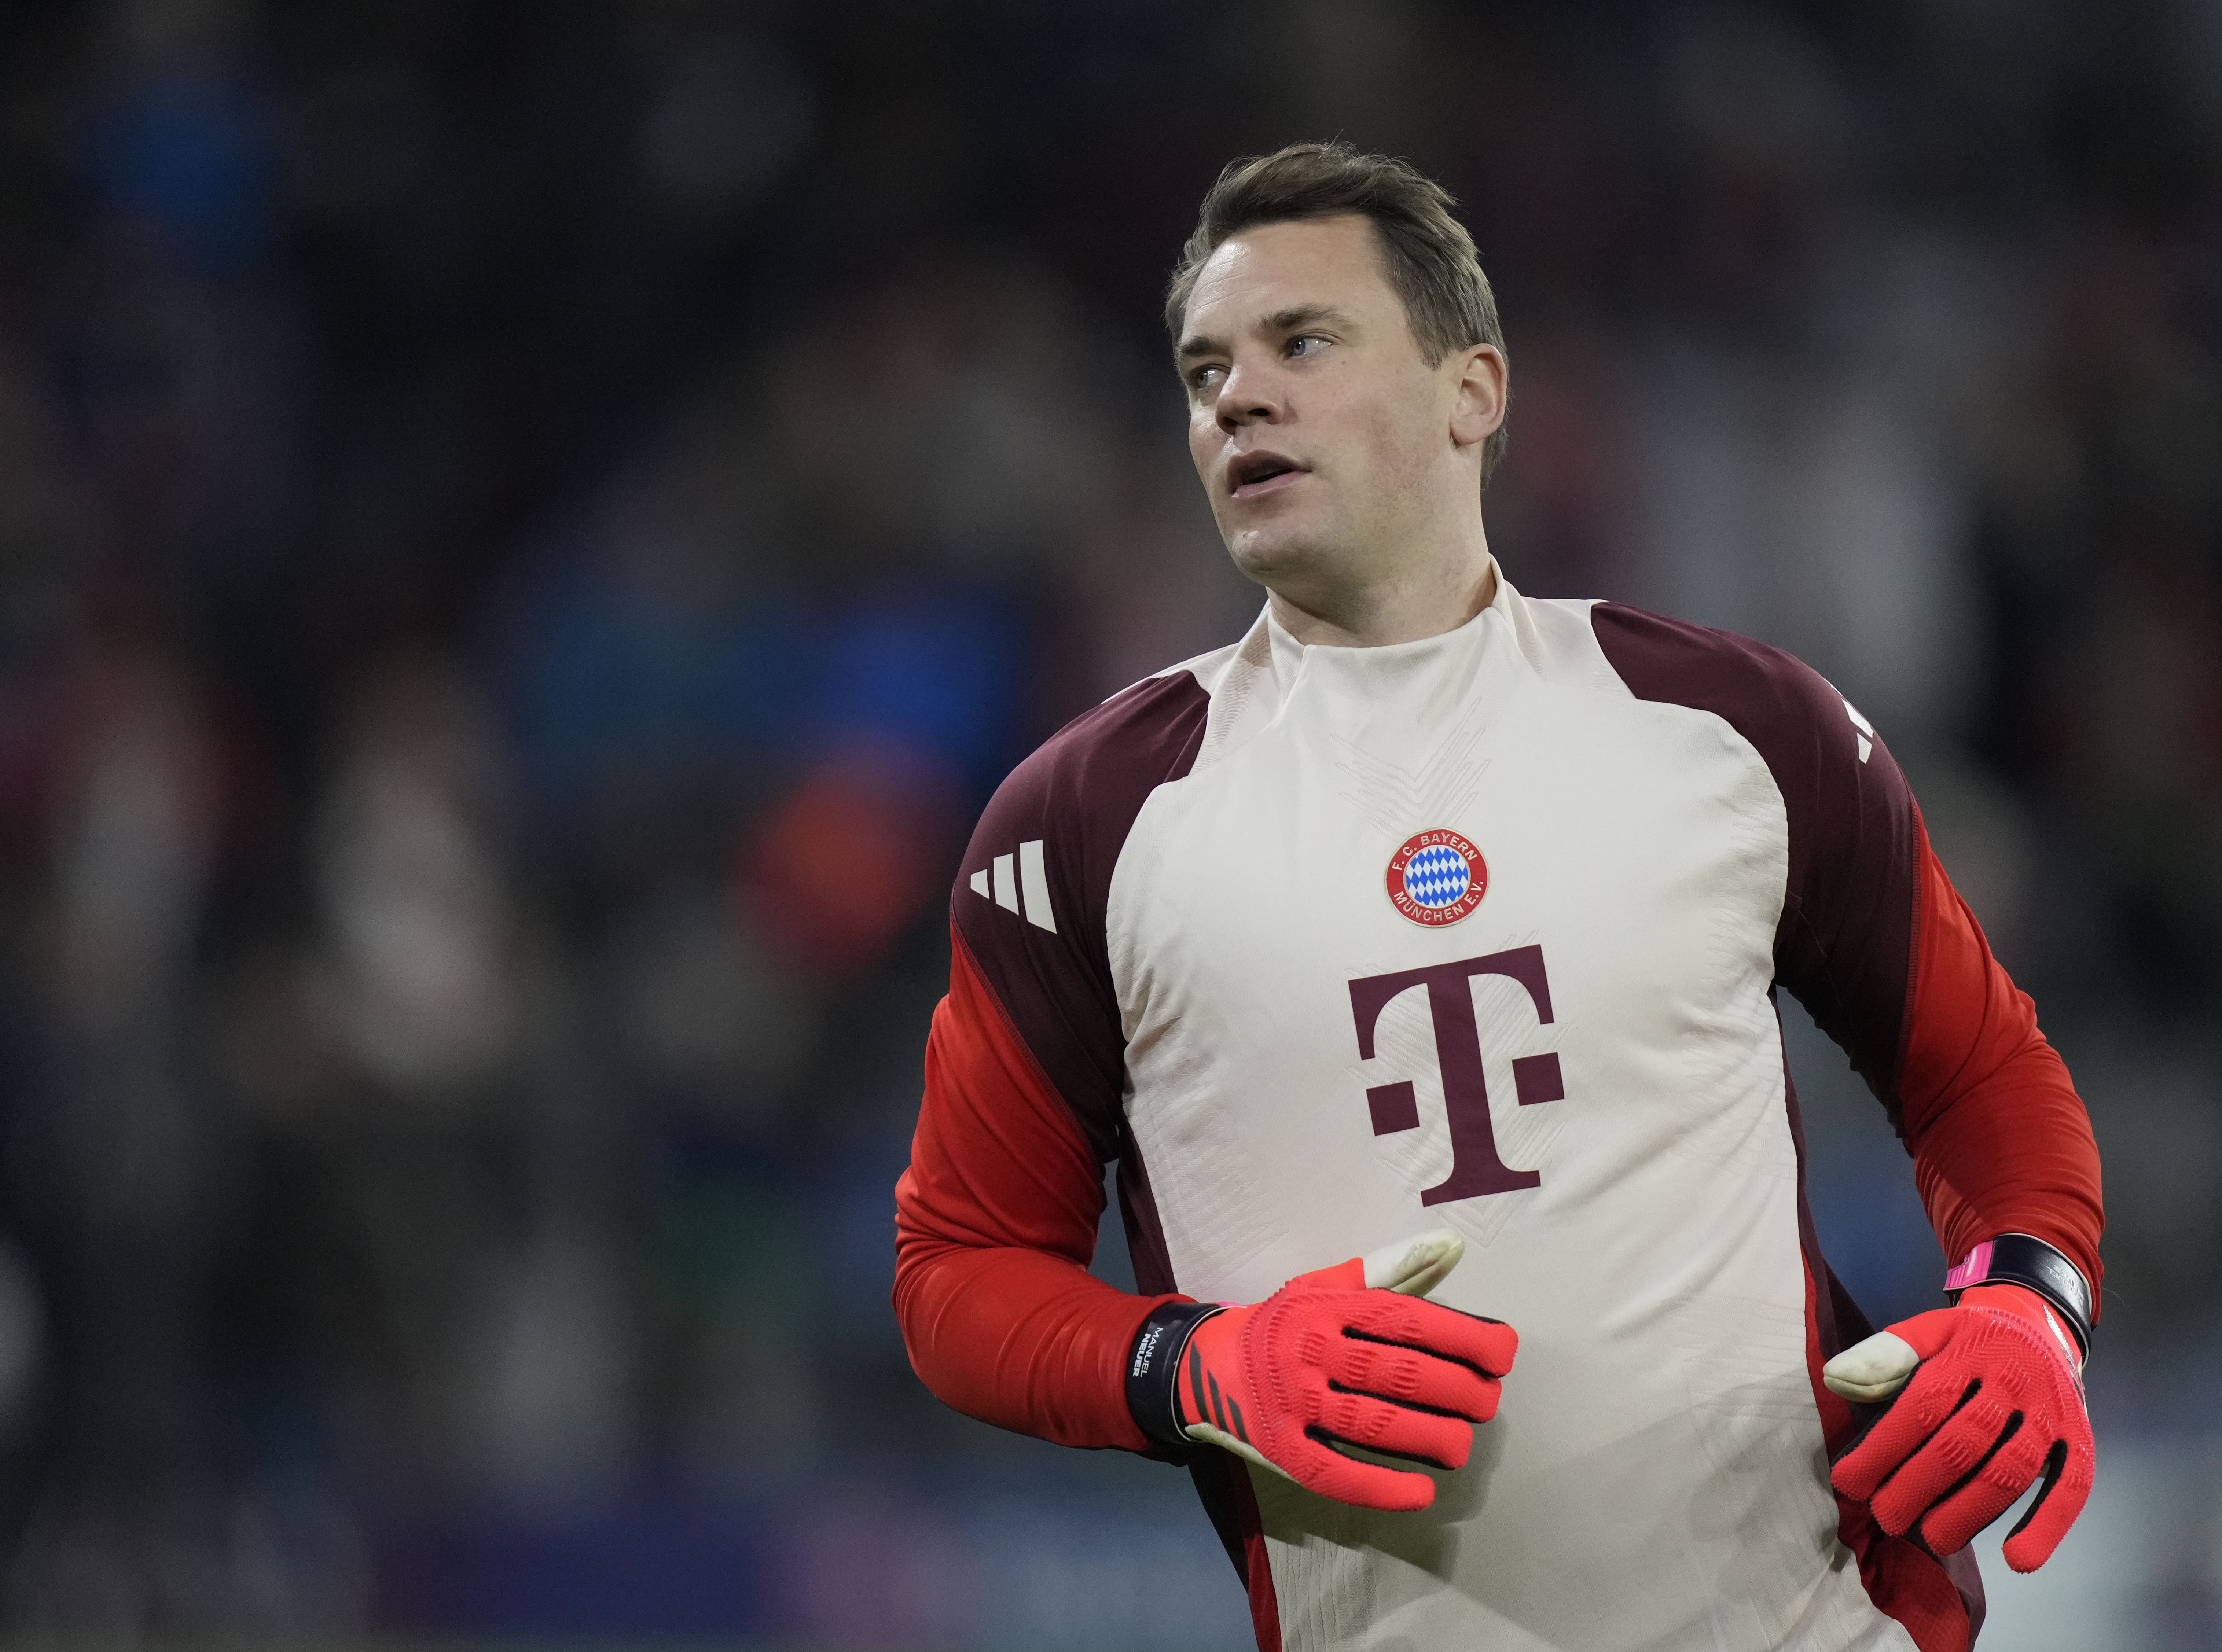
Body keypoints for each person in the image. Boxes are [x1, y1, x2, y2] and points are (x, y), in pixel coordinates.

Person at [890, 142, 2102, 1652]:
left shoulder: (1735, 726)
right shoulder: (1083, 823)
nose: (1235, 399)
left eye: (1302, 343)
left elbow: (1976, 1068)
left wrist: (2025, 1300)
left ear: (1475, 389)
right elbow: (957, 1272)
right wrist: (1194, 1369)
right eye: (1205, 368)